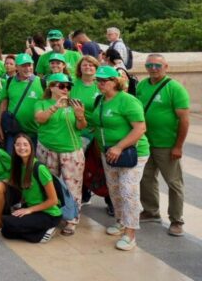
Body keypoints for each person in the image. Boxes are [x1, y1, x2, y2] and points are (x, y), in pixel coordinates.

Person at [94, 65, 149, 251]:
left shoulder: (127, 101)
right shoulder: (100, 100)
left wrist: (119, 146)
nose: (100, 84)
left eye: (104, 81)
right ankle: (121, 221)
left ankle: (130, 233)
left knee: (128, 191)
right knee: (115, 189)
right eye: (98, 80)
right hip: (108, 153)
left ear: (115, 81)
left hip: (131, 153)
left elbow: (140, 128)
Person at [138, 55, 190, 237]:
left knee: (173, 183)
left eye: (157, 65)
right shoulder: (142, 85)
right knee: (146, 178)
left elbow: (184, 120)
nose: (153, 68)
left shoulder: (174, 88)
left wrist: (178, 146)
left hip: (167, 145)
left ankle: (176, 220)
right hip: (146, 143)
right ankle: (151, 211)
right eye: (149, 65)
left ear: (166, 66)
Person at [34, 74, 88, 236]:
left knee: (72, 186)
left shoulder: (75, 104)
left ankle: (72, 219)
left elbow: (82, 126)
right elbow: (39, 119)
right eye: (61, 86)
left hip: (70, 151)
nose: (66, 89)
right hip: (47, 149)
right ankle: (52, 213)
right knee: (48, 184)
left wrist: (80, 116)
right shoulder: (41, 103)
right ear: (51, 87)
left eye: (68, 86)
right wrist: (55, 107)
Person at [0, 133, 62, 243]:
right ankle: (35, 231)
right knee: (6, 231)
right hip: (32, 209)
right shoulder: (19, 166)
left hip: (48, 214)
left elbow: (53, 200)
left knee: (9, 223)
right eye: (18, 144)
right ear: (14, 147)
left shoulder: (39, 168)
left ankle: (46, 231)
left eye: (25, 144)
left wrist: (29, 210)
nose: (22, 148)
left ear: (31, 147)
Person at [0, 53, 43, 153]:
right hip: (13, 131)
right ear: (16, 67)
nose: (27, 68)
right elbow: (3, 105)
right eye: (23, 65)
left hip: (35, 132)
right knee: (12, 161)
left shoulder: (42, 83)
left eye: (29, 65)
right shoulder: (9, 82)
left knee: (32, 162)